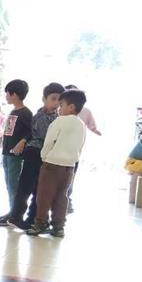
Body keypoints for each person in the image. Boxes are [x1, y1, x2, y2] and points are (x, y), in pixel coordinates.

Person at [29, 89, 87, 238]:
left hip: (52, 165)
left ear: (71, 107)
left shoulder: (59, 121)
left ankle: (40, 223)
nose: (59, 108)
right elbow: (81, 145)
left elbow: (49, 141)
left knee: (44, 195)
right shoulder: (81, 125)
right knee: (62, 197)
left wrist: (44, 156)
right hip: (69, 167)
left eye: (62, 105)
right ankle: (58, 227)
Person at [6, 83, 63, 230]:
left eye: (59, 100)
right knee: (26, 186)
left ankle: (31, 218)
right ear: (44, 99)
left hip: (44, 155)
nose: (56, 103)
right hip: (35, 152)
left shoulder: (56, 118)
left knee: (38, 188)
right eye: (53, 99)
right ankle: (16, 216)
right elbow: (44, 136)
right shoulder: (42, 116)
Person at [0, 79, 32, 226]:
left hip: (16, 155)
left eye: (7, 93)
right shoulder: (13, 111)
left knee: (14, 185)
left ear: (14, 94)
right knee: (9, 184)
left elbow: (31, 131)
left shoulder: (26, 113)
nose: (6, 96)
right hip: (7, 153)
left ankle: (16, 214)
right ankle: (12, 212)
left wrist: (22, 141)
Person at [64, 84, 99, 213]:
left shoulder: (85, 111)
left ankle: (66, 201)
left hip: (74, 152)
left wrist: (95, 130)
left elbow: (91, 125)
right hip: (61, 152)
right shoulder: (60, 110)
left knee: (70, 177)